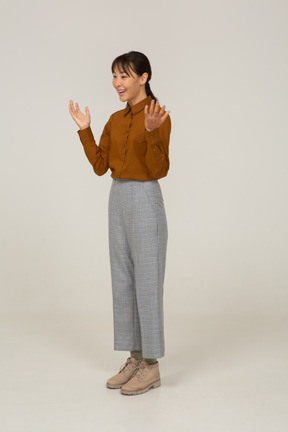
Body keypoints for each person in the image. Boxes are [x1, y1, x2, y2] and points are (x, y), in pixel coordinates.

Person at [69, 51, 171, 396]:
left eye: (125, 75)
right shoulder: (114, 118)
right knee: (124, 280)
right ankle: (135, 359)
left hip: (144, 198)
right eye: (114, 76)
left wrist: (154, 133)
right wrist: (86, 131)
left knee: (147, 281)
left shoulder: (156, 115)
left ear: (143, 77)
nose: (117, 83)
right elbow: (101, 166)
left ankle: (152, 367)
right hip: (118, 198)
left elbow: (159, 170)